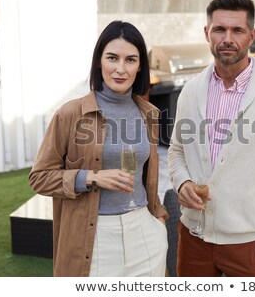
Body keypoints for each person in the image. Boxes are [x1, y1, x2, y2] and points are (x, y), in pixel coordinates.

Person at [168, 0, 255, 277]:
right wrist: (182, 183)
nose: (227, 38)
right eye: (219, 29)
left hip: (249, 247)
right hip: (194, 238)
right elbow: (177, 150)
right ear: (207, 33)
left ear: (251, 35)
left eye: (237, 30)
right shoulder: (190, 92)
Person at [28, 21, 168, 277]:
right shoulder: (70, 114)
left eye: (130, 60)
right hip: (96, 237)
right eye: (112, 58)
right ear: (98, 61)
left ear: (140, 67)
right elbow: (38, 178)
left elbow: (147, 176)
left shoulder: (149, 114)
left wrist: (157, 219)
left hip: (144, 233)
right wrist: (91, 177)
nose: (120, 69)